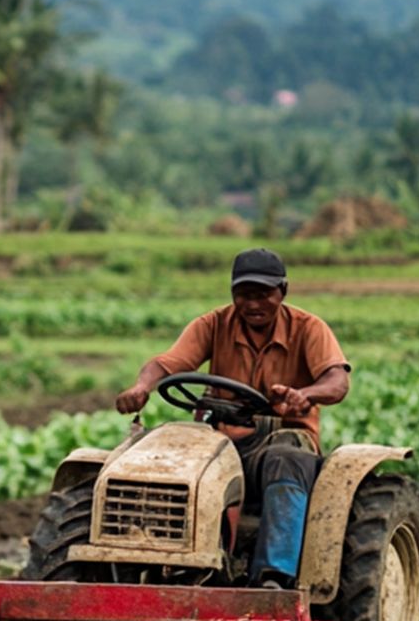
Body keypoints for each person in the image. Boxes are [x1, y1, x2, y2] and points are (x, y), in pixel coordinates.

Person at [114, 248, 351, 589]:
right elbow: (166, 364)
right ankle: (167, 564)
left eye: (263, 295)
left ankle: (274, 576)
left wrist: (306, 395)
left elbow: (337, 381)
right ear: (232, 294)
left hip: (284, 433)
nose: (253, 304)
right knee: (171, 460)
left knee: (286, 457)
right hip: (223, 436)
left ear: (282, 291)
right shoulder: (214, 324)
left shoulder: (309, 328)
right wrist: (142, 387)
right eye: (244, 295)